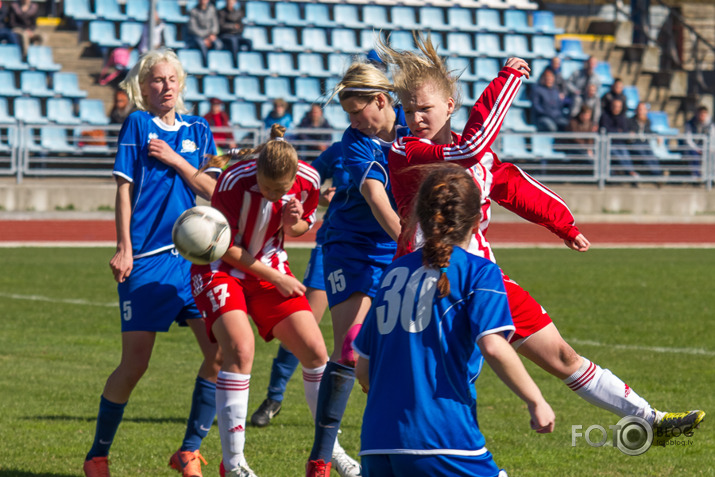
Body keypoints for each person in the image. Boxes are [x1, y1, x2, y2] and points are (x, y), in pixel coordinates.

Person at [380, 34, 705, 451]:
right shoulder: (406, 150)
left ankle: (650, 419)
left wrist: (564, 225)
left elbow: (515, 187)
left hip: (481, 278)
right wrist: (508, 78)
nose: (415, 117)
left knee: (563, 357)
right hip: (431, 284)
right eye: (408, 109)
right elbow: (471, 146)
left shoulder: (474, 156)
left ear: (450, 105)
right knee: (443, 382)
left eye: (423, 108)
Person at [354, 164, 555, 477]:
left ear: (418, 215)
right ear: (476, 221)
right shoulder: (480, 271)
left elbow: (362, 368)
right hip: (443, 438)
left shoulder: (393, 273)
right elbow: (494, 346)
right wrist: (536, 399)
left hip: (377, 443)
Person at [82, 49, 223, 477]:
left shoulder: (199, 129)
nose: (165, 87)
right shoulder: (138, 124)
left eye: (171, 79)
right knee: (136, 363)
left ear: (180, 84)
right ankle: (98, 455)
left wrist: (177, 160)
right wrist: (123, 247)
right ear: (143, 87)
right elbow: (124, 190)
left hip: (193, 261)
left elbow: (213, 190)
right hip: (146, 258)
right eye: (156, 80)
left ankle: (189, 451)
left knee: (220, 352)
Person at [193, 125, 330, 477]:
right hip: (222, 269)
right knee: (240, 349)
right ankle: (234, 464)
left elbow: (302, 227)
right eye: (267, 188)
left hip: (271, 268)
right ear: (256, 171)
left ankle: (327, 455)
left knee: (316, 350)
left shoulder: (309, 178)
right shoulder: (232, 181)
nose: (272, 195)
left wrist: (294, 224)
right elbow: (222, 245)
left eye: (280, 190)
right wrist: (278, 278)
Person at [306, 62, 410, 477]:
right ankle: (320, 458)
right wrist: (416, 247)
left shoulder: (414, 125)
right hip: (352, 246)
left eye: (356, 112)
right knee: (350, 349)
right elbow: (376, 198)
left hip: (399, 243)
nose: (352, 121)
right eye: (347, 114)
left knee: (398, 356)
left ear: (381, 101)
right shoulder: (355, 141)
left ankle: (396, 449)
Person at [248, 141, 362, 476]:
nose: (357, 121)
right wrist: (326, 196)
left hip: (374, 252)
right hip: (333, 244)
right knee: (304, 324)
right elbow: (306, 181)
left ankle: (364, 433)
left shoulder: (396, 144)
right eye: (352, 113)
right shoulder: (342, 148)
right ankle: (274, 398)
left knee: (362, 343)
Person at [599, 98, 638, 179]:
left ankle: (631, 172)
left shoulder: (623, 117)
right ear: (611, 106)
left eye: (619, 107)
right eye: (615, 106)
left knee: (626, 156)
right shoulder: (605, 116)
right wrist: (618, 131)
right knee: (619, 156)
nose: (616, 108)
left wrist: (617, 132)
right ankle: (631, 173)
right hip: (609, 144)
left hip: (620, 143)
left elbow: (625, 131)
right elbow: (606, 130)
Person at [627, 102, 662, 176]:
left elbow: (650, 131)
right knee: (645, 156)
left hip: (645, 144)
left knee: (652, 157)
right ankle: (657, 175)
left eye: (643, 109)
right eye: (639, 109)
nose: (641, 111)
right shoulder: (630, 121)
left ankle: (659, 174)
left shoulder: (647, 122)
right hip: (635, 145)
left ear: (646, 111)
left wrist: (657, 136)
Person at [532, 68, 568, 132]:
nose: (549, 79)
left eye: (551, 77)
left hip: (556, 117)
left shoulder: (555, 91)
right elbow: (536, 106)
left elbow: (559, 106)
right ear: (543, 78)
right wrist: (548, 113)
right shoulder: (537, 90)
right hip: (543, 118)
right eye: (547, 77)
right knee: (552, 127)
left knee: (569, 125)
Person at [683, 105, 714, 177]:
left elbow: (713, 138)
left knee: (712, 155)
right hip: (694, 148)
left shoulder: (710, 125)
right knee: (694, 156)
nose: (702, 115)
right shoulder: (690, 123)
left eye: (704, 113)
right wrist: (696, 148)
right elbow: (688, 139)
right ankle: (696, 177)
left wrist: (708, 148)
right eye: (700, 113)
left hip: (706, 147)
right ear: (697, 114)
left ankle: (710, 177)